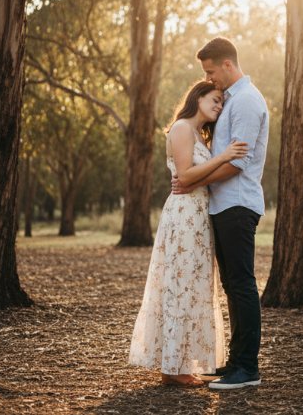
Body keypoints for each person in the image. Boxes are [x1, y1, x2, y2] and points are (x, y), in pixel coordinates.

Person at [129, 81, 250, 386]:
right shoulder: (182, 128)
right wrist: (223, 157)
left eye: (222, 102)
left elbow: (196, 177)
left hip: (198, 218)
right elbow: (184, 176)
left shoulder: (199, 134)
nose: (219, 106)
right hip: (183, 216)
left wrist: (212, 163)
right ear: (197, 96)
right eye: (215, 99)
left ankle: (179, 363)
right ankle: (172, 368)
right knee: (179, 286)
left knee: (192, 287)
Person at [172, 37, 270, 390]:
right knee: (232, 284)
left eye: (212, 72)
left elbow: (238, 163)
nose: (210, 79)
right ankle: (236, 362)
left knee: (242, 284)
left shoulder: (245, 101)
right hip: (223, 205)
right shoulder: (231, 101)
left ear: (227, 65)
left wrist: (196, 183)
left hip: (238, 204)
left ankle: (248, 367)